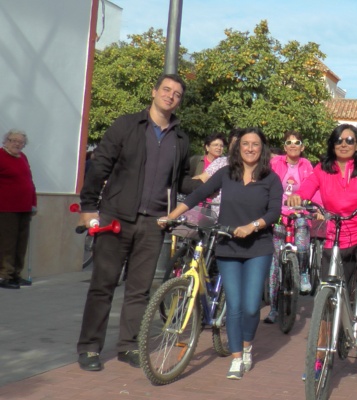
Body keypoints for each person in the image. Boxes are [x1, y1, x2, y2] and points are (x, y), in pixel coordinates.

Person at [76, 74, 198, 372]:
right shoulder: (127, 125)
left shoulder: (181, 139)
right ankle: (90, 348)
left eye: (177, 94)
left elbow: (178, 180)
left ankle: (128, 346)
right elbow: (100, 164)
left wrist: (206, 183)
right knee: (103, 285)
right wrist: (89, 206)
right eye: (166, 90)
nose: (170, 96)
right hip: (116, 217)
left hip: (154, 224)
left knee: (139, 290)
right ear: (154, 91)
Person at [161, 127, 281, 379]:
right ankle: (237, 357)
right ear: (238, 148)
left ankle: (247, 345)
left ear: (263, 148)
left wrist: (253, 226)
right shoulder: (226, 173)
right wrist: (172, 216)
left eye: (255, 144)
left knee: (250, 306)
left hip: (258, 247)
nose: (250, 148)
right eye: (245, 143)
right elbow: (198, 194)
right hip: (228, 245)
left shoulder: (271, 178)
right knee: (235, 305)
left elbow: (273, 212)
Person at [287, 124, 357, 378]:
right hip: (335, 237)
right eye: (338, 139)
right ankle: (320, 356)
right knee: (326, 296)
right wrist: (298, 197)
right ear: (332, 144)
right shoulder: (321, 170)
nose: (343, 143)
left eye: (349, 139)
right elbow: (307, 187)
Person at [264, 131, 317, 324]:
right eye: (289, 142)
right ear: (284, 146)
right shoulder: (275, 163)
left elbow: (314, 186)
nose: (293, 145)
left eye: (297, 142)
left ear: (302, 147)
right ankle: (273, 309)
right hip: (277, 213)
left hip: (300, 213)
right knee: (274, 265)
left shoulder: (307, 165)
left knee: (303, 243)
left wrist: (315, 207)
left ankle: (303, 273)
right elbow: (265, 183)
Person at [0, 129, 36, 289]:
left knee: (21, 243)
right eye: (13, 140)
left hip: (25, 207)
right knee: (7, 243)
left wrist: (33, 203)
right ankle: (4, 275)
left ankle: (16, 274)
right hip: (6, 207)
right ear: (6, 141)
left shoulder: (23, 158)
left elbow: (29, 180)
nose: (17, 144)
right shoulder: (1, 156)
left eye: (20, 142)